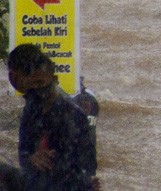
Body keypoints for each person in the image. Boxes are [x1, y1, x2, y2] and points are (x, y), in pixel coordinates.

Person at [4, 44, 100, 191]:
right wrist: (32, 158)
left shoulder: (71, 114)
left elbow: (85, 166)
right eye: (32, 85)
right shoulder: (32, 108)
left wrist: (48, 160)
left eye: (41, 83)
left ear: (54, 80)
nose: (37, 89)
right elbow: (24, 151)